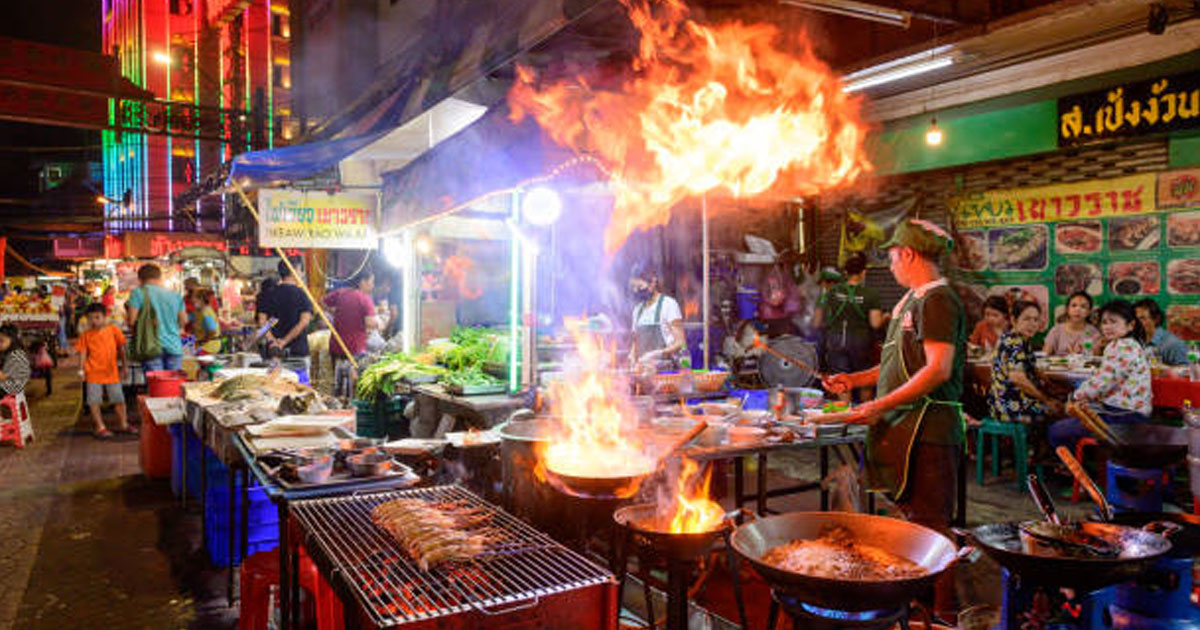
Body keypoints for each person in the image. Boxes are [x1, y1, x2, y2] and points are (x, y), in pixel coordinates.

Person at [822, 219, 965, 622]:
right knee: (911, 520)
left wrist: (879, 405)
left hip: (929, 428)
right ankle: (916, 597)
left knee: (933, 525)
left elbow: (938, 370)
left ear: (909, 254)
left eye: (891, 255)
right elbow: (891, 367)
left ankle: (943, 611)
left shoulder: (938, 300)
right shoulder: (909, 300)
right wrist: (855, 379)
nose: (889, 263)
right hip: (903, 426)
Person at [1049, 300, 1152, 451]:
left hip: (1123, 417)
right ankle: (1084, 465)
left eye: (1113, 322)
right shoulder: (1130, 344)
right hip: (1127, 413)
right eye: (1104, 322)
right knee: (1073, 418)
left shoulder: (1122, 347)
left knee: (1056, 430)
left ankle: (1076, 470)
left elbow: (1102, 383)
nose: (1108, 327)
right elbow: (1105, 381)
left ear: (1130, 325)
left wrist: (1076, 396)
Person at [988, 300, 1063, 455]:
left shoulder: (1020, 339)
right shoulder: (1014, 342)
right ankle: (1040, 457)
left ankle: (1040, 453)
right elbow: (1018, 379)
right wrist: (1046, 399)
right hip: (1010, 405)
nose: (1032, 324)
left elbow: (1029, 367)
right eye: (1027, 319)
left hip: (1009, 400)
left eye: (1035, 320)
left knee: (1058, 401)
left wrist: (1046, 381)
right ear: (1014, 320)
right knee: (1058, 410)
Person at [814, 254, 883, 401]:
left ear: (845, 273)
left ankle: (846, 418)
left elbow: (817, 320)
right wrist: (887, 318)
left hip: (836, 341)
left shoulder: (832, 292)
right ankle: (865, 419)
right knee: (865, 381)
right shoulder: (871, 294)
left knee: (841, 381)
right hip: (861, 342)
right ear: (864, 272)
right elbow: (875, 323)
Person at [75, 303, 133, 439]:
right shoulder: (86, 335)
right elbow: (82, 353)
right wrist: (81, 369)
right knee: (94, 401)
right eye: (90, 318)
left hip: (111, 372)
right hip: (93, 373)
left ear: (104, 317)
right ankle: (100, 426)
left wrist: (125, 366)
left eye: (97, 317)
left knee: (119, 399)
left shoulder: (114, 330)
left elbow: (121, 350)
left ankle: (124, 424)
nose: (94, 321)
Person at [323, 269, 377, 396]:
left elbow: (323, 302)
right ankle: (350, 409)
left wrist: (334, 313)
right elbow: (370, 323)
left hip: (336, 346)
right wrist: (379, 323)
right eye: (371, 282)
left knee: (337, 384)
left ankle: (338, 406)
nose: (372, 285)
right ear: (362, 282)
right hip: (355, 349)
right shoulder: (365, 299)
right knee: (352, 388)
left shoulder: (341, 293)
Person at [125, 263, 188, 371]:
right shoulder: (175, 295)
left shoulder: (138, 293)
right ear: (160, 277)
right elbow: (184, 320)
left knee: (157, 383)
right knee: (172, 384)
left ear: (140, 278)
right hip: (174, 346)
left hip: (151, 346)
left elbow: (131, 320)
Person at [627, 264, 686, 370]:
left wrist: (657, 354)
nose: (637, 291)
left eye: (640, 287)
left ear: (653, 282)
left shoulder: (668, 304)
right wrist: (632, 358)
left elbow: (680, 342)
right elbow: (635, 343)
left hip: (666, 370)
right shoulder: (637, 310)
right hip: (644, 371)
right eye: (634, 288)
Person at [257, 260, 313, 363]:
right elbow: (304, 321)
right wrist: (284, 341)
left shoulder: (267, 294)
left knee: (275, 378)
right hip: (297, 353)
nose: (302, 274)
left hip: (273, 353)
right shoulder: (302, 295)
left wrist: (272, 340)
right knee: (297, 379)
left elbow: (262, 322)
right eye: (301, 270)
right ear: (294, 271)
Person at [1134, 298, 1189, 366]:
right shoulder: (1135, 340)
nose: (1137, 323)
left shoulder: (1173, 344)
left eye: (1142, 318)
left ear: (1156, 319)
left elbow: (1187, 371)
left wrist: (1163, 369)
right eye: (1135, 319)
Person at [1043, 291, 1101, 356]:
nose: (1078, 309)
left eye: (1083, 307)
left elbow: (1096, 356)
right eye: (1074, 305)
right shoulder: (1056, 331)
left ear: (1089, 312)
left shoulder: (1093, 332)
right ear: (1067, 309)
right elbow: (1045, 354)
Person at [0, 325, 30, 396]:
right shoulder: (9, 353)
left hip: (11, 387)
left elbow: (3, 376)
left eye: (1, 341)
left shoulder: (16, 355)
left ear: (12, 339)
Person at [191, 288, 222, 354]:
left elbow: (212, 331)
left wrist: (202, 341)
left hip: (209, 347)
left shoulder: (206, 312)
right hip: (204, 345)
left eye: (194, 298)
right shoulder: (199, 311)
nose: (192, 300)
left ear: (201, 299)